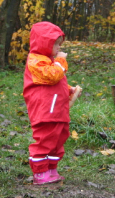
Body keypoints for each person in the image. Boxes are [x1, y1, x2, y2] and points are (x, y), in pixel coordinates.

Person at [23, 21, 77, 185]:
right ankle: (40, 172)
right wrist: (61, 63)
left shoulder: (49, 61)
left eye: (60, 45)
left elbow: (54, 84)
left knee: (58, 139)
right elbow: (52, 76)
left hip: (58, 109)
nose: (59, 49)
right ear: (44, 43)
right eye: (56, 44)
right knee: (45, 140)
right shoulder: (36, 61)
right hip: (45, 110)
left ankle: (51, 168)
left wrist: (67, 90)